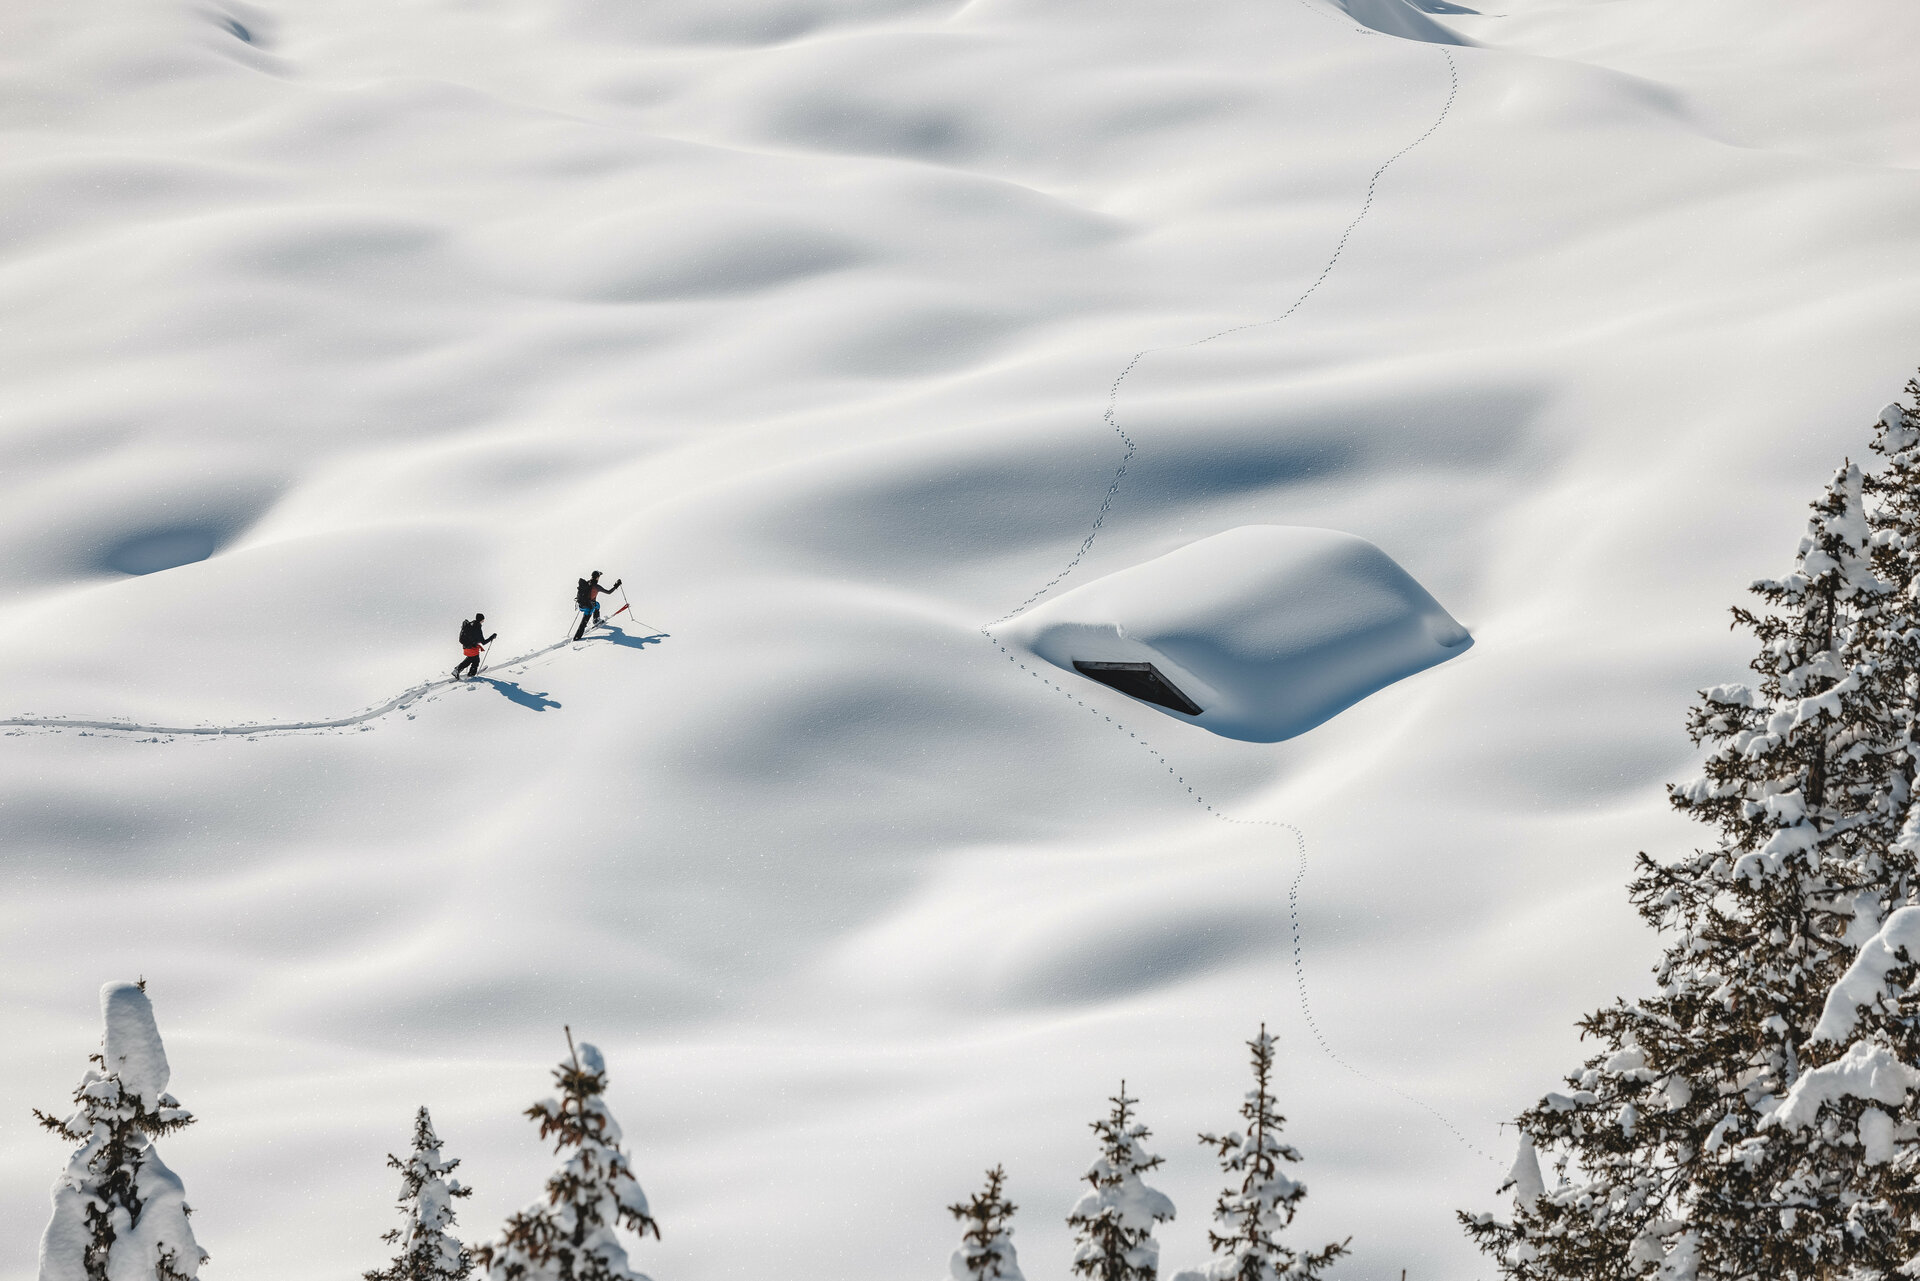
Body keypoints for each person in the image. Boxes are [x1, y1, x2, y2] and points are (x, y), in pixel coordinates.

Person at [574, 570, 622, 640]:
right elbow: (608, 592)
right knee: (583, 623)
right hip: (589, 607)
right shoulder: (597, 586)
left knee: (597, 605)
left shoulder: (587, 583)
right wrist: (616, 585)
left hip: (581, 605)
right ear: (597, 578)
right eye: (599, 577)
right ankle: (577, 637)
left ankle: (596, 620)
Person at [454, 613, 496, 680]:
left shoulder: (471, 624)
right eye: (483, 620)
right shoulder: (477, 628)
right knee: (475, 660)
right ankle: (470, 675)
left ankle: (460, 670)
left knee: (471, 659)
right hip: (471, 648)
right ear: (481, 620)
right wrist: (492, 637)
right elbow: (484, 642)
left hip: (466, 646)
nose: (483, 621)